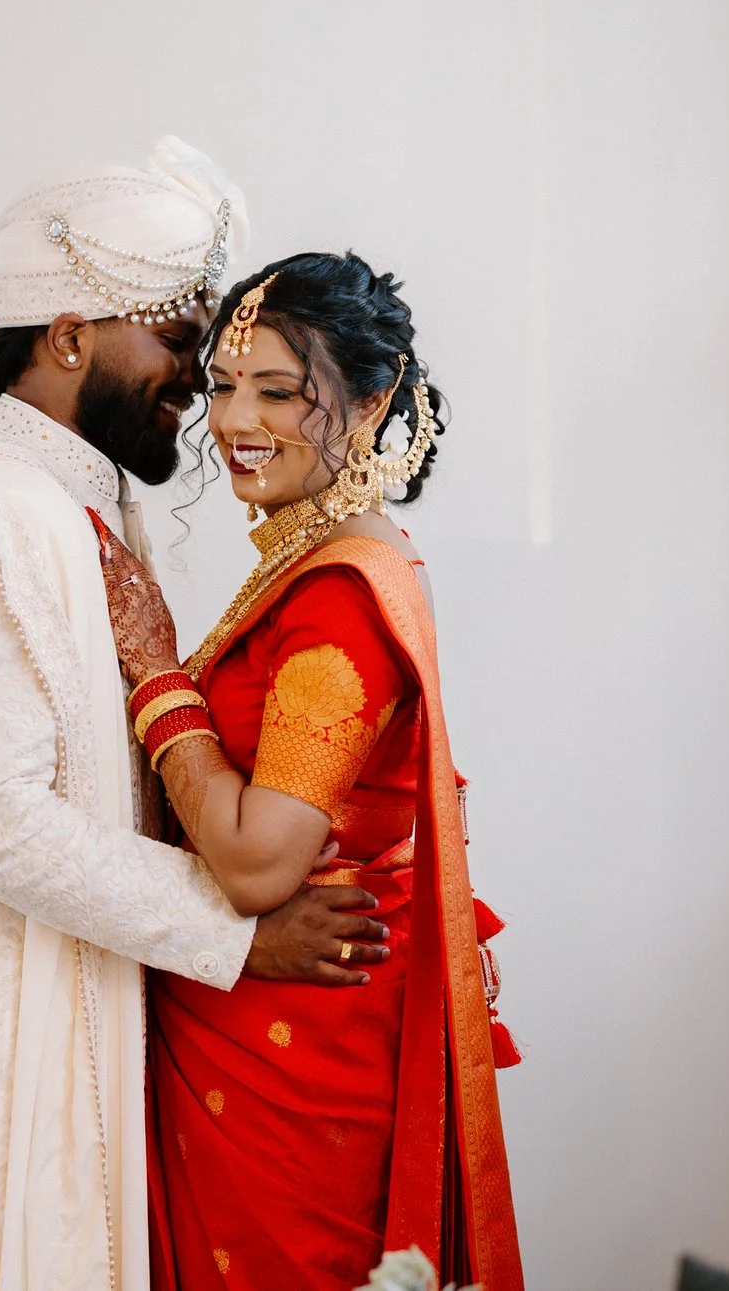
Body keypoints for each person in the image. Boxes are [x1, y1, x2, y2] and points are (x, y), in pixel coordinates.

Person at [0, 143, 393, 1291]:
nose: (203, 382)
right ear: (69, 335)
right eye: (179, 342)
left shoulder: (73, 508)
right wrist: (237, 937)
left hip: (78, 1006)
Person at [96, 252, 524, 1291]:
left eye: (280, 390)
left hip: (296, 1057)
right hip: (273, 1017)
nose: (237, 417)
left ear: (370, 403)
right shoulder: (310, 559)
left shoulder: (338, 593)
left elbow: (253, 862)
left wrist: (154, 672)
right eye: (226, 383)